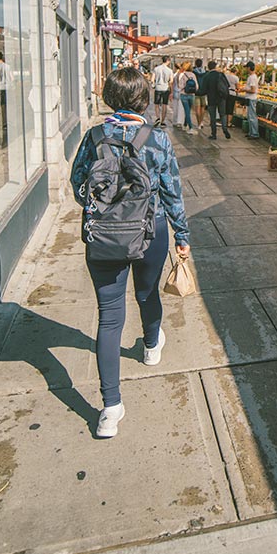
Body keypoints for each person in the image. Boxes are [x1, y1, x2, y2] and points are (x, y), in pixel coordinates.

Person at [71, 67, 190, 438]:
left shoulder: (94, 136)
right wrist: (182, 234)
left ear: (109, 97)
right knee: (146, 293)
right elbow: (172, 191)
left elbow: (78, 185)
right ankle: (152, 346)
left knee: (109, 318)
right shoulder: (156, 139)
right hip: (148, 232)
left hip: (104, 237)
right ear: (144, 99)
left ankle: (110, 408)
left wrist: (108, 208)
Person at [199, 60, 231, 140]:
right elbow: (227, 85)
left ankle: (214, 134)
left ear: (209, 67)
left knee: (213, 117)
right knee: (223, 114)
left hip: (211, 99)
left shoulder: (207, 76)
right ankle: (225, 129)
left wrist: (196, 92)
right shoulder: (221, 74)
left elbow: (203, 90)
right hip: (221, 98)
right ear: (215, 66)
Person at [152, 55, 174, 127]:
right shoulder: (170, 70)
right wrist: (171, 91)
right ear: (168, 61)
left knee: (156, 104)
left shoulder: (156, 69)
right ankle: (163, 121)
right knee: (165, 105)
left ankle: (158, 117)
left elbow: (152, 79)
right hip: (165, 89)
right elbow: (171, 81)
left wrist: (154, 85)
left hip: (158, 88)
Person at [176, 62, 197, 133]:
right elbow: (197, 87)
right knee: (188, 111)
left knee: (187, 111)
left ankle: (190, 127)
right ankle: (185, 125)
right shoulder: (193, 75)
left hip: (184, 95)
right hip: (192, 95)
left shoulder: (183, 75)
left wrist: (184, 87)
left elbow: (180, 86)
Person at [245, 60, 260, 138]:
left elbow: (253, 90)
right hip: (250, 98)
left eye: (247, 68)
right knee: (249, 116)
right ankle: (251, 132)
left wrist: (243, 90)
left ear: (249, 68)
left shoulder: (252, 78)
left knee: (252, 116)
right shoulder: (251, 77)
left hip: (252, 99)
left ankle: (254, 133)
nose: (246, 69)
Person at [192, 57, 207, 130]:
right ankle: (201, 121)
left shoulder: (193, 72)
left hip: (196, 92)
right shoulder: (205, 72)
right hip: (203, 92)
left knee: (197, 108)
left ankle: (198, 123)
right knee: (203, 108)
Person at [224, 63, 240, 128]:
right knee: (230, 109)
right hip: (232, 93)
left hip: (226, 92)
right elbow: (237, 87)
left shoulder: (226, 76)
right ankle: (229, 123)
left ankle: (224, 121)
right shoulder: (236, 78)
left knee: (226, 107)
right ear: (235, 71)